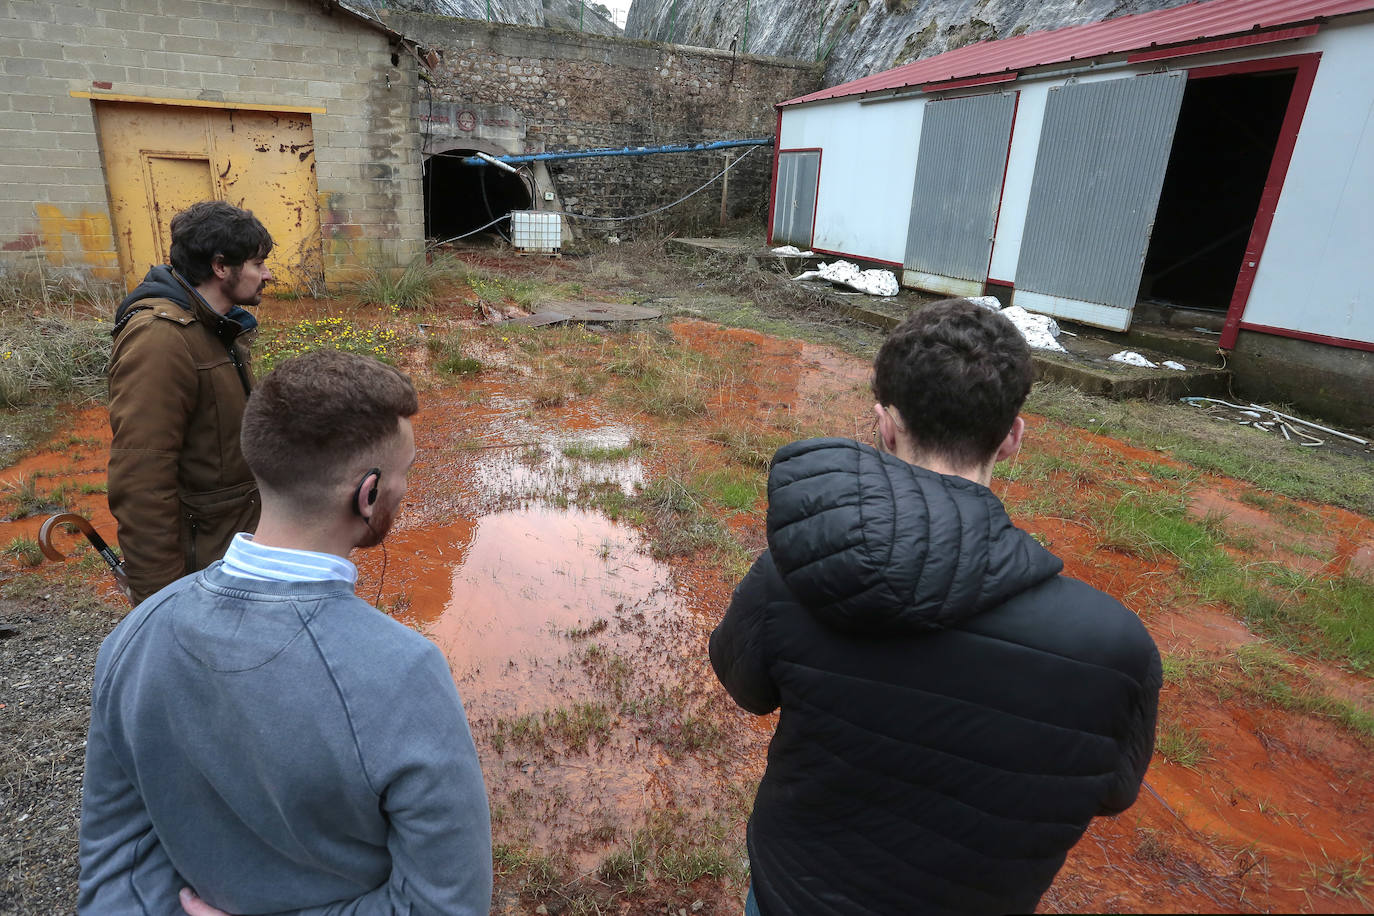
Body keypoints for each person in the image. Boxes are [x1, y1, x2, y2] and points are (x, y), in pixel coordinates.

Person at [710, 299, 1161, 916]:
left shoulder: (795, 574)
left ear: (885, 425)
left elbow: (746, 686)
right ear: (1012, 438)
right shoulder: (1117, 647)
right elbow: (1111, 790)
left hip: (792, 895)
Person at [79, 350, 493, 914]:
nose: (406, 486)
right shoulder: (402, 672)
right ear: (367, 493)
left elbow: (113, 859)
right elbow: (445, 906)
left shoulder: (135, 637)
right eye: (406, 472)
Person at [107, 200, 273, 604]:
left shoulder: (216, 327)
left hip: (229, 550)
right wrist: (159, 600)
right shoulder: (161, 339)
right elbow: (142, 475)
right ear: (220, 267)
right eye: (257, 263)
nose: (267, 274)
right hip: (198, 566)